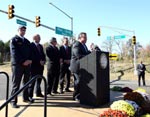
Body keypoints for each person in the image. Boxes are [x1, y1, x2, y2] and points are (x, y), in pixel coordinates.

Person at [10, 25, 32, 108]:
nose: (23, 31)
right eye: (21, 30)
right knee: (16, 84)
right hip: (17, 65)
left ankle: (25, 98)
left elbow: (30, 52)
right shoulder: (14, 40)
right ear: (18, 30)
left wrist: (30, 60)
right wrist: (23, 61)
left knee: (26, 82)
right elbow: (14, 53)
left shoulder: (27, 41)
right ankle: (13, 101)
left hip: (27, 65)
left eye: (24, 30)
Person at [69, 32, 90, 101]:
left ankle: (81, 95)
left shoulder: (84, 45)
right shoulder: (77, 44)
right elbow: (78, 55)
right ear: (80, 38)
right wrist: (89, 56)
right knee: (78, 81)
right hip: (77, 66)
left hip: (83, 67)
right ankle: (76, 96)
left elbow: (87, 53)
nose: (86, 39)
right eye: (85, 37)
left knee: (81, 81)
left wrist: (93, 53)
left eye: (86, 37)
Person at [28, 34, 46, 100]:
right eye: (38, 37)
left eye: (40, 37)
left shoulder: (41, 46)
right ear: (34, 38)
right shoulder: (31, 45)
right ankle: (30, 95)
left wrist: (44, 61)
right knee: (32, 82)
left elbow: (43, 55)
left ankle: (38, 93)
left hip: (41, 67)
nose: (40, 39)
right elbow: (31, 55)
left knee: (39, 80)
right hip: (33, 66)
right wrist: (39, 61)